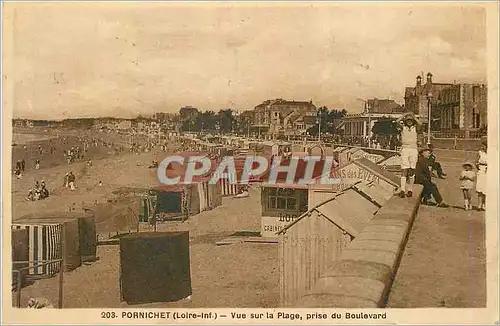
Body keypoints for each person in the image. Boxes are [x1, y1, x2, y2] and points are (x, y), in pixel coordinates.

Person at [396, 113, 420, 198]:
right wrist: (404, 115)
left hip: (413, 149)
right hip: (405, 149)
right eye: (408, 121)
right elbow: (397, 121)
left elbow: (420, 123)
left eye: (411, 121)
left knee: (412, 169)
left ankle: (410, 190)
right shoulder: (403, 128)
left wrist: (413, 116)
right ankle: (402, 190)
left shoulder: (415, 128)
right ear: (406, 122)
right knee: (404, 169)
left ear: (413, 121)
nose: (409, 122)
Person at [476, 140, 487, 211]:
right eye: (482, 145)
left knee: (486, 188)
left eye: (484, 145)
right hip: (481, 170)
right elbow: (476, 161)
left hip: (488, 171)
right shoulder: (480, 152)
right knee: (480, 188)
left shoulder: (492, 153)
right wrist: (478, 166)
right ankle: (479, 204)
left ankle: (484, 204)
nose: (483, 147)